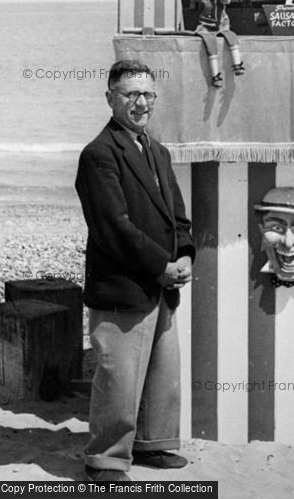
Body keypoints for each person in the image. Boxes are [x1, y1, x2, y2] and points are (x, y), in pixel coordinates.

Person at [75, 60, 195, 483]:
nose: (141, 102)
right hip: (123, 285)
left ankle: (154, 445)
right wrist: (161, 266)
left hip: (162, 283)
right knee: (118, 378)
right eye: (130, 95)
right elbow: (114, 227)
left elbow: (178, 216)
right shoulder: (99, 154)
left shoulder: (157, 151)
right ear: (110, 98)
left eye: (147, 95)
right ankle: (105, 459)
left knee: (163, 372)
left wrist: (185, 257)